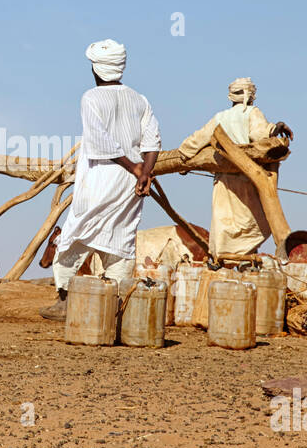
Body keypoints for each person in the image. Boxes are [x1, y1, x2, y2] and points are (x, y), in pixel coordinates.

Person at [39, 39, 161, 321]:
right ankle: (114, 305)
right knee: (121, 237)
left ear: (95, 69)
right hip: (130, 183)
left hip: (102, 176)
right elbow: (152, 139)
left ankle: (65, 301)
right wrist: (145, 172)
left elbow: (99, 141)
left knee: (74, 234)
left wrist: (135, 169)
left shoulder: (91, 98)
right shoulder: (139, 99)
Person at [177, 77, 291, 263]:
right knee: (249, 223)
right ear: (251, 96)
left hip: (224, 182)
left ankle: (223, 264)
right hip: (249, 178)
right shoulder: (252, 112)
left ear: (231, 97)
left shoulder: (220, 117)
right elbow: (259, 134)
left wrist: (183, 156)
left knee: (224, 225)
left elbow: (197, 139)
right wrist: (274, 129)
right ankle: (245, 263)